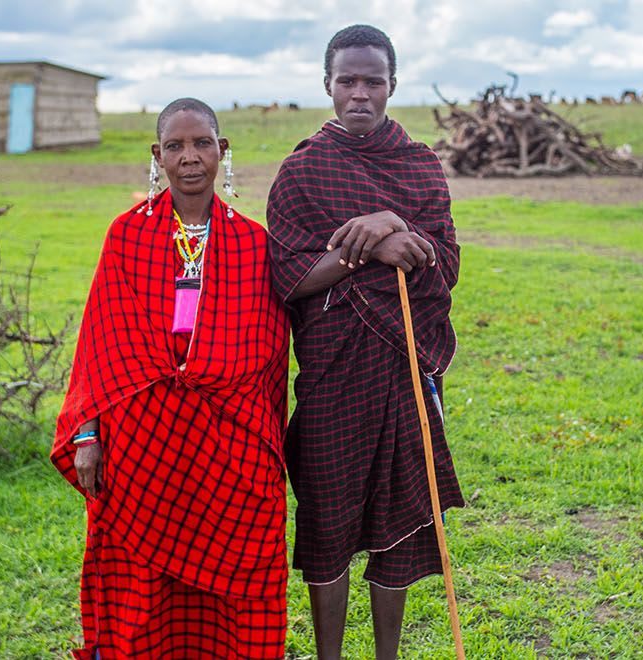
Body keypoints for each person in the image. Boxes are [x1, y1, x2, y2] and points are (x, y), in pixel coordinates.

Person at [51, 98, 290, 659]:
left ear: (221, 151)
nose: (190, 158)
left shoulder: (255, 243)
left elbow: (269, 347)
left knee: (244, 569)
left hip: (231, 447)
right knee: (141, 582)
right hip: (140, 444)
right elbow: (98, 343)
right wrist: (87, 433)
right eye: (176, 147)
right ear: (156, 156)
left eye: (203, 143)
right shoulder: (126, 235)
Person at [266, 24, 465, 659]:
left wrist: (392, 223)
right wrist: (371, 245)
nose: (359, 93)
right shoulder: (302, 172)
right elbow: (288, 276)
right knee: (327, 521)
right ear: (327, 85)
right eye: (346, 80)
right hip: (332, 376)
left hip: (402, 371)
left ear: (392, 86)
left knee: (396, 524)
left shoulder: (419, 165)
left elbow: (445, 267)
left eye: (372, 81)